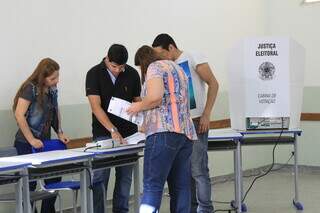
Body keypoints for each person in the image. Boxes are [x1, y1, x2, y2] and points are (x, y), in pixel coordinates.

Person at [152, 33, 219, 213]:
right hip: (179, 126)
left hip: (197, 122)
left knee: (198, 170)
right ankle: (190, 209)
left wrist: (206, 114)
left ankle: (206, 209)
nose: (160, 58)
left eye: (162, 53)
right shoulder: (166, 67)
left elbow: (213, 84)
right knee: (184, 173)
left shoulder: (192, 57)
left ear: (171, 47)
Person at [127, 45, 197, 213]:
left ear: (143, 62)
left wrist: (137, 106)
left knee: (152, 185)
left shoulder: (153, 67)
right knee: (181, 187)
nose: (141, 72)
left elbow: (156, 98)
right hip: (185, 134)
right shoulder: (178, 68)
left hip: (163, 134)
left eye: (139, 68)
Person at [85, 44, 141, 213]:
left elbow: (137, 100)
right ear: (107, 59)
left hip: (129, 134)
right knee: (100, 177)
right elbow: (95, 107)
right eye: (114, 66)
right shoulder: (94, 73)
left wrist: (143, 122)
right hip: (104, 133)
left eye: (121, 67)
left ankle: (121, 210)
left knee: (125, 178)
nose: (118, 70)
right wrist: (112, 130)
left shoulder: (131, 73)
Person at [13, 58, 70, 213]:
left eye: (57, 77)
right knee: (29, 184)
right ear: (42, 77)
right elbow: (19, 115)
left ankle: (47, 210)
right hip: (25, 143)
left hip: (44, 143)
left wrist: (60, 132)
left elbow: (55, 112)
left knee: (54, 177)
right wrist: (31, 139)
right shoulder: (30, 89)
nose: (56, 81)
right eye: (52, 78)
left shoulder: (52, 90)